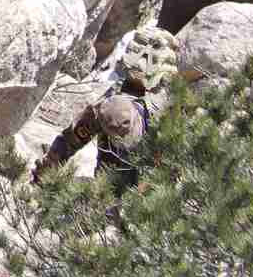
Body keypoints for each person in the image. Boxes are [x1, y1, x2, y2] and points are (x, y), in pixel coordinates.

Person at [32, 27, 181, 188]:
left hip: (111, 199)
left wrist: (46, 170)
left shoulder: (115, 105)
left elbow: (71, 139)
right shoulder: (168, 109)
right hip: (131, 200)